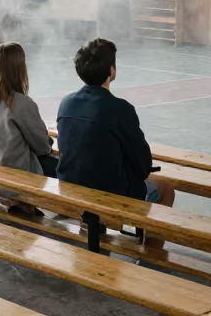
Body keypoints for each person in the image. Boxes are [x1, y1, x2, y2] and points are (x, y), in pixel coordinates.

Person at [56, 38, 174, 249]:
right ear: (112, 70)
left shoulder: (66, 103)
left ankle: (92, 234)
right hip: (110, 195)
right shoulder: (120, 109)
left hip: (70, 187)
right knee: (165, 189)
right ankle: (151, 256)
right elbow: (143, 165)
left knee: (89, 175)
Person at [0, 41, 56, 215]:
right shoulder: (20, 103)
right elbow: (43, 147)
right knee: (64, 167)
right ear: (19, 70)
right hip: (14, 180)